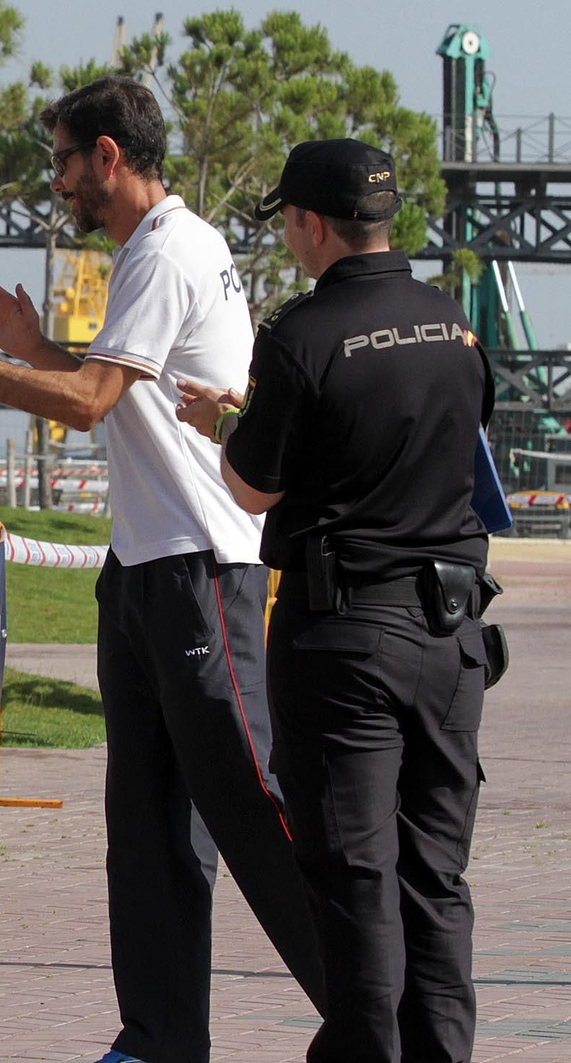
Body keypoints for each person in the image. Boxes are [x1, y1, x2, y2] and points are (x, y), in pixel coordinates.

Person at [0, 76, 325, 1063]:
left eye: (62, 161)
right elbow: (119, 386)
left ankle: (378, 1015)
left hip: (200, 568)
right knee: (145, 828)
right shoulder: (149, 253)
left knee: (251, 806)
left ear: (107, 155)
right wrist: (32, 347)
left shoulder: (170, 249)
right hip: (142, 570)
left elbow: (90, 402)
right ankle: (157, 1040)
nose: (55, 183)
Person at [177, 139, 494, 1063]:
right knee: (437, 876)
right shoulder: (451, 323)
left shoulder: (302, 336)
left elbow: (253, 487)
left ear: (312, 224)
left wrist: (223, 421)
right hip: (453, 634)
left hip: (346, 636)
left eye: (288, 220)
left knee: (356, 877)